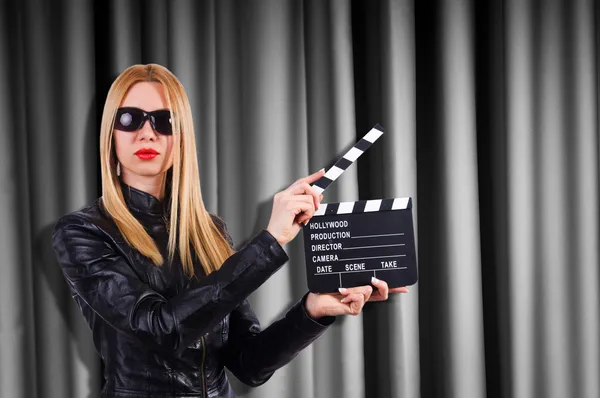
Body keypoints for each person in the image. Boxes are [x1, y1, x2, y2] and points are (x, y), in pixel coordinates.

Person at [51, 63, 409, 398]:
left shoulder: (209, 231)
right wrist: (270, 241)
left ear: (182, 138)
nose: (148, 133)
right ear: (110, 135)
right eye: (129, 119)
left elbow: (249, 363)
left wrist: (313, 311)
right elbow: (160, 328)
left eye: (164, 120)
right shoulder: (82, 233)